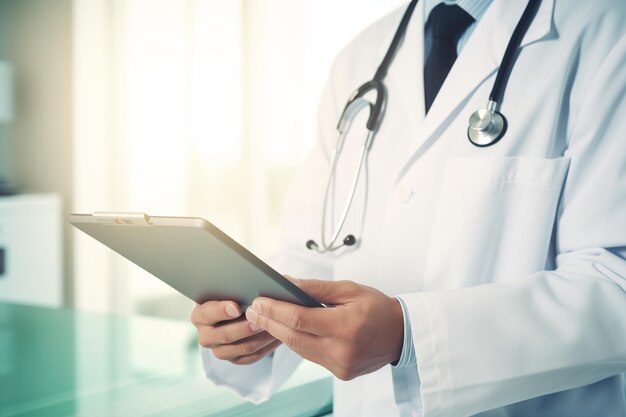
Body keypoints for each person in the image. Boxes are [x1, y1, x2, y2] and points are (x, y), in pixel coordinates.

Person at [191, 0, 626, 415]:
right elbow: (314, 253)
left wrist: (412, 336)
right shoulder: (359, 60)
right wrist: (252, 322)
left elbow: (615, 284)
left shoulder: (605, 31)